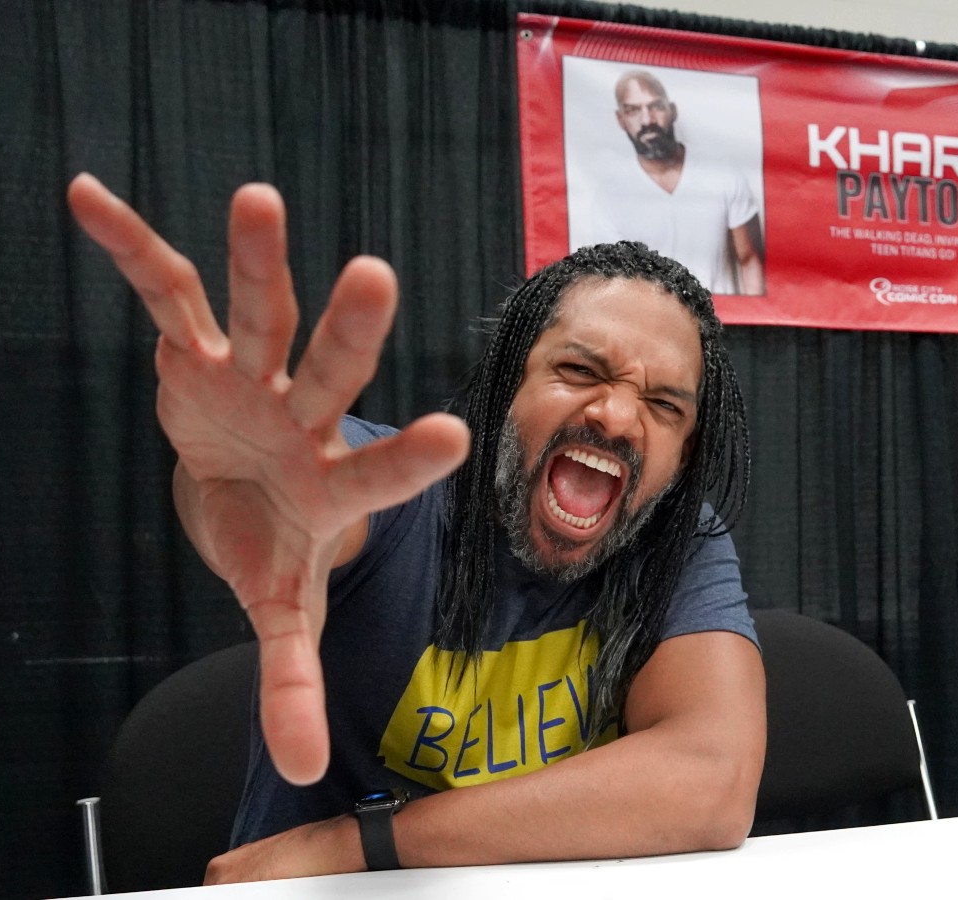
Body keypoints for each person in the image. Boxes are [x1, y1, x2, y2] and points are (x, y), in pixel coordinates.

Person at [65, 173, 766, 884]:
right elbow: (301, 495)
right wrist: (253, 485)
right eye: (579, 369)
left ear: (683, 455)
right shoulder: (399, 496)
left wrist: (358, 843)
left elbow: (711, 777)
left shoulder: (677, 539)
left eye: (663, 404)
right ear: (506, 387)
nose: (616, 417)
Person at [578, 70, 766, 296]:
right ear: (621, 119)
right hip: (651, 327)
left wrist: (753, 328)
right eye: (633, 110)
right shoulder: (609, 196)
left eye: (655, 106)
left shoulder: (722, 173)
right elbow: (613, 284)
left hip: (722, 325)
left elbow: (750, 259)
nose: (647, 120)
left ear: (672, 110)